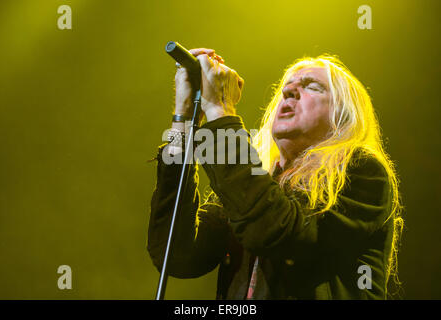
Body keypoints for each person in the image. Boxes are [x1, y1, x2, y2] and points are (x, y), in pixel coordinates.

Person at [147, 48, 403, 299]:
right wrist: (183, 119)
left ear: (342, 116)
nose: (288, 90)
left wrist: (220, 109)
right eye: (287, 85)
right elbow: (177, 255)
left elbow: (274, 231)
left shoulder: (361, 173)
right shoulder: (259, 180)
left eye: (312, 86)